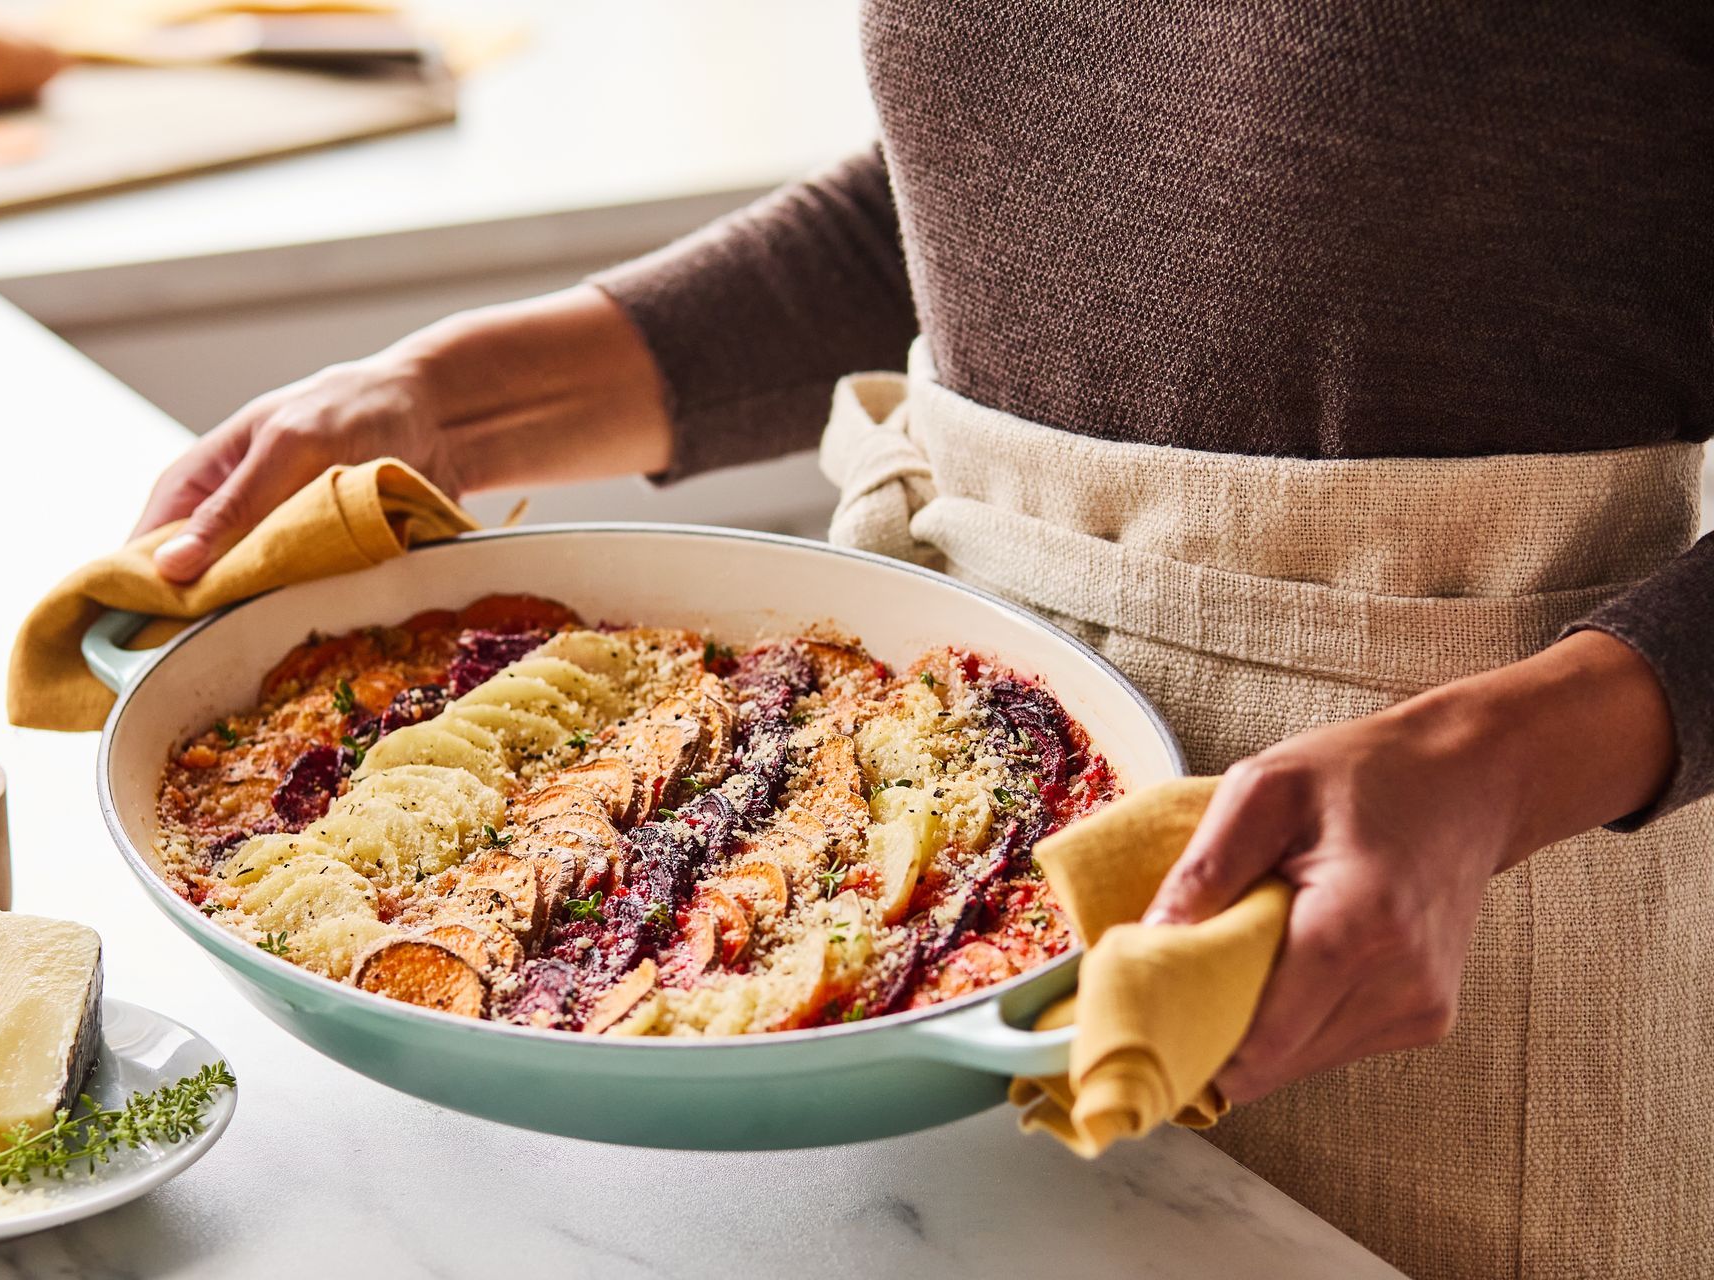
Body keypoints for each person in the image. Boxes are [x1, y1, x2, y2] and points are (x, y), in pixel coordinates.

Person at [134, 6, 1714, 1277]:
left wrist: (1493, 766)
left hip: (1455, 893)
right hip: (886, 829)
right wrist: (458, 399)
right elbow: (1033, 178)